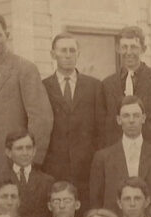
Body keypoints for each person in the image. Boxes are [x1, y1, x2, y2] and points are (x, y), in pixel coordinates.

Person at [0, 12, 53, 186]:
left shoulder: (24, 68)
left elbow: (41, 117)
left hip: (14, 160)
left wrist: (31, 159)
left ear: (7, 36)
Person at [43, 33, 105, 205]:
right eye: (63, 50)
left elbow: (101, 129)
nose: (68, 55)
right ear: (53, 54)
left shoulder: (94, 86)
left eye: (72, 50)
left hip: (87, 167)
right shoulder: (43, 87)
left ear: (78, 54)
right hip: (54, 167)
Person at [90, 96, 151, 211]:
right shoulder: (103, 157)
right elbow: (96, 203)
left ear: (143, 118)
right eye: (126, 116)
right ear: (119, 120)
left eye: (136, 115)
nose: (131, 120)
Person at [101, 26, 151, 149]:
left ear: (143, 49)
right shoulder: (107, 84)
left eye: (133, 47)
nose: (128, 52)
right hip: (119, 155)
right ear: (118, 49)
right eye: (124, 47)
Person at [5, 130, 55, 217]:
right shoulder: (0, 181)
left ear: (34, 151)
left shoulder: (47, 181)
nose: (25, 153)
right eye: (19, 149)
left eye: (29, 148)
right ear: (8, 152)